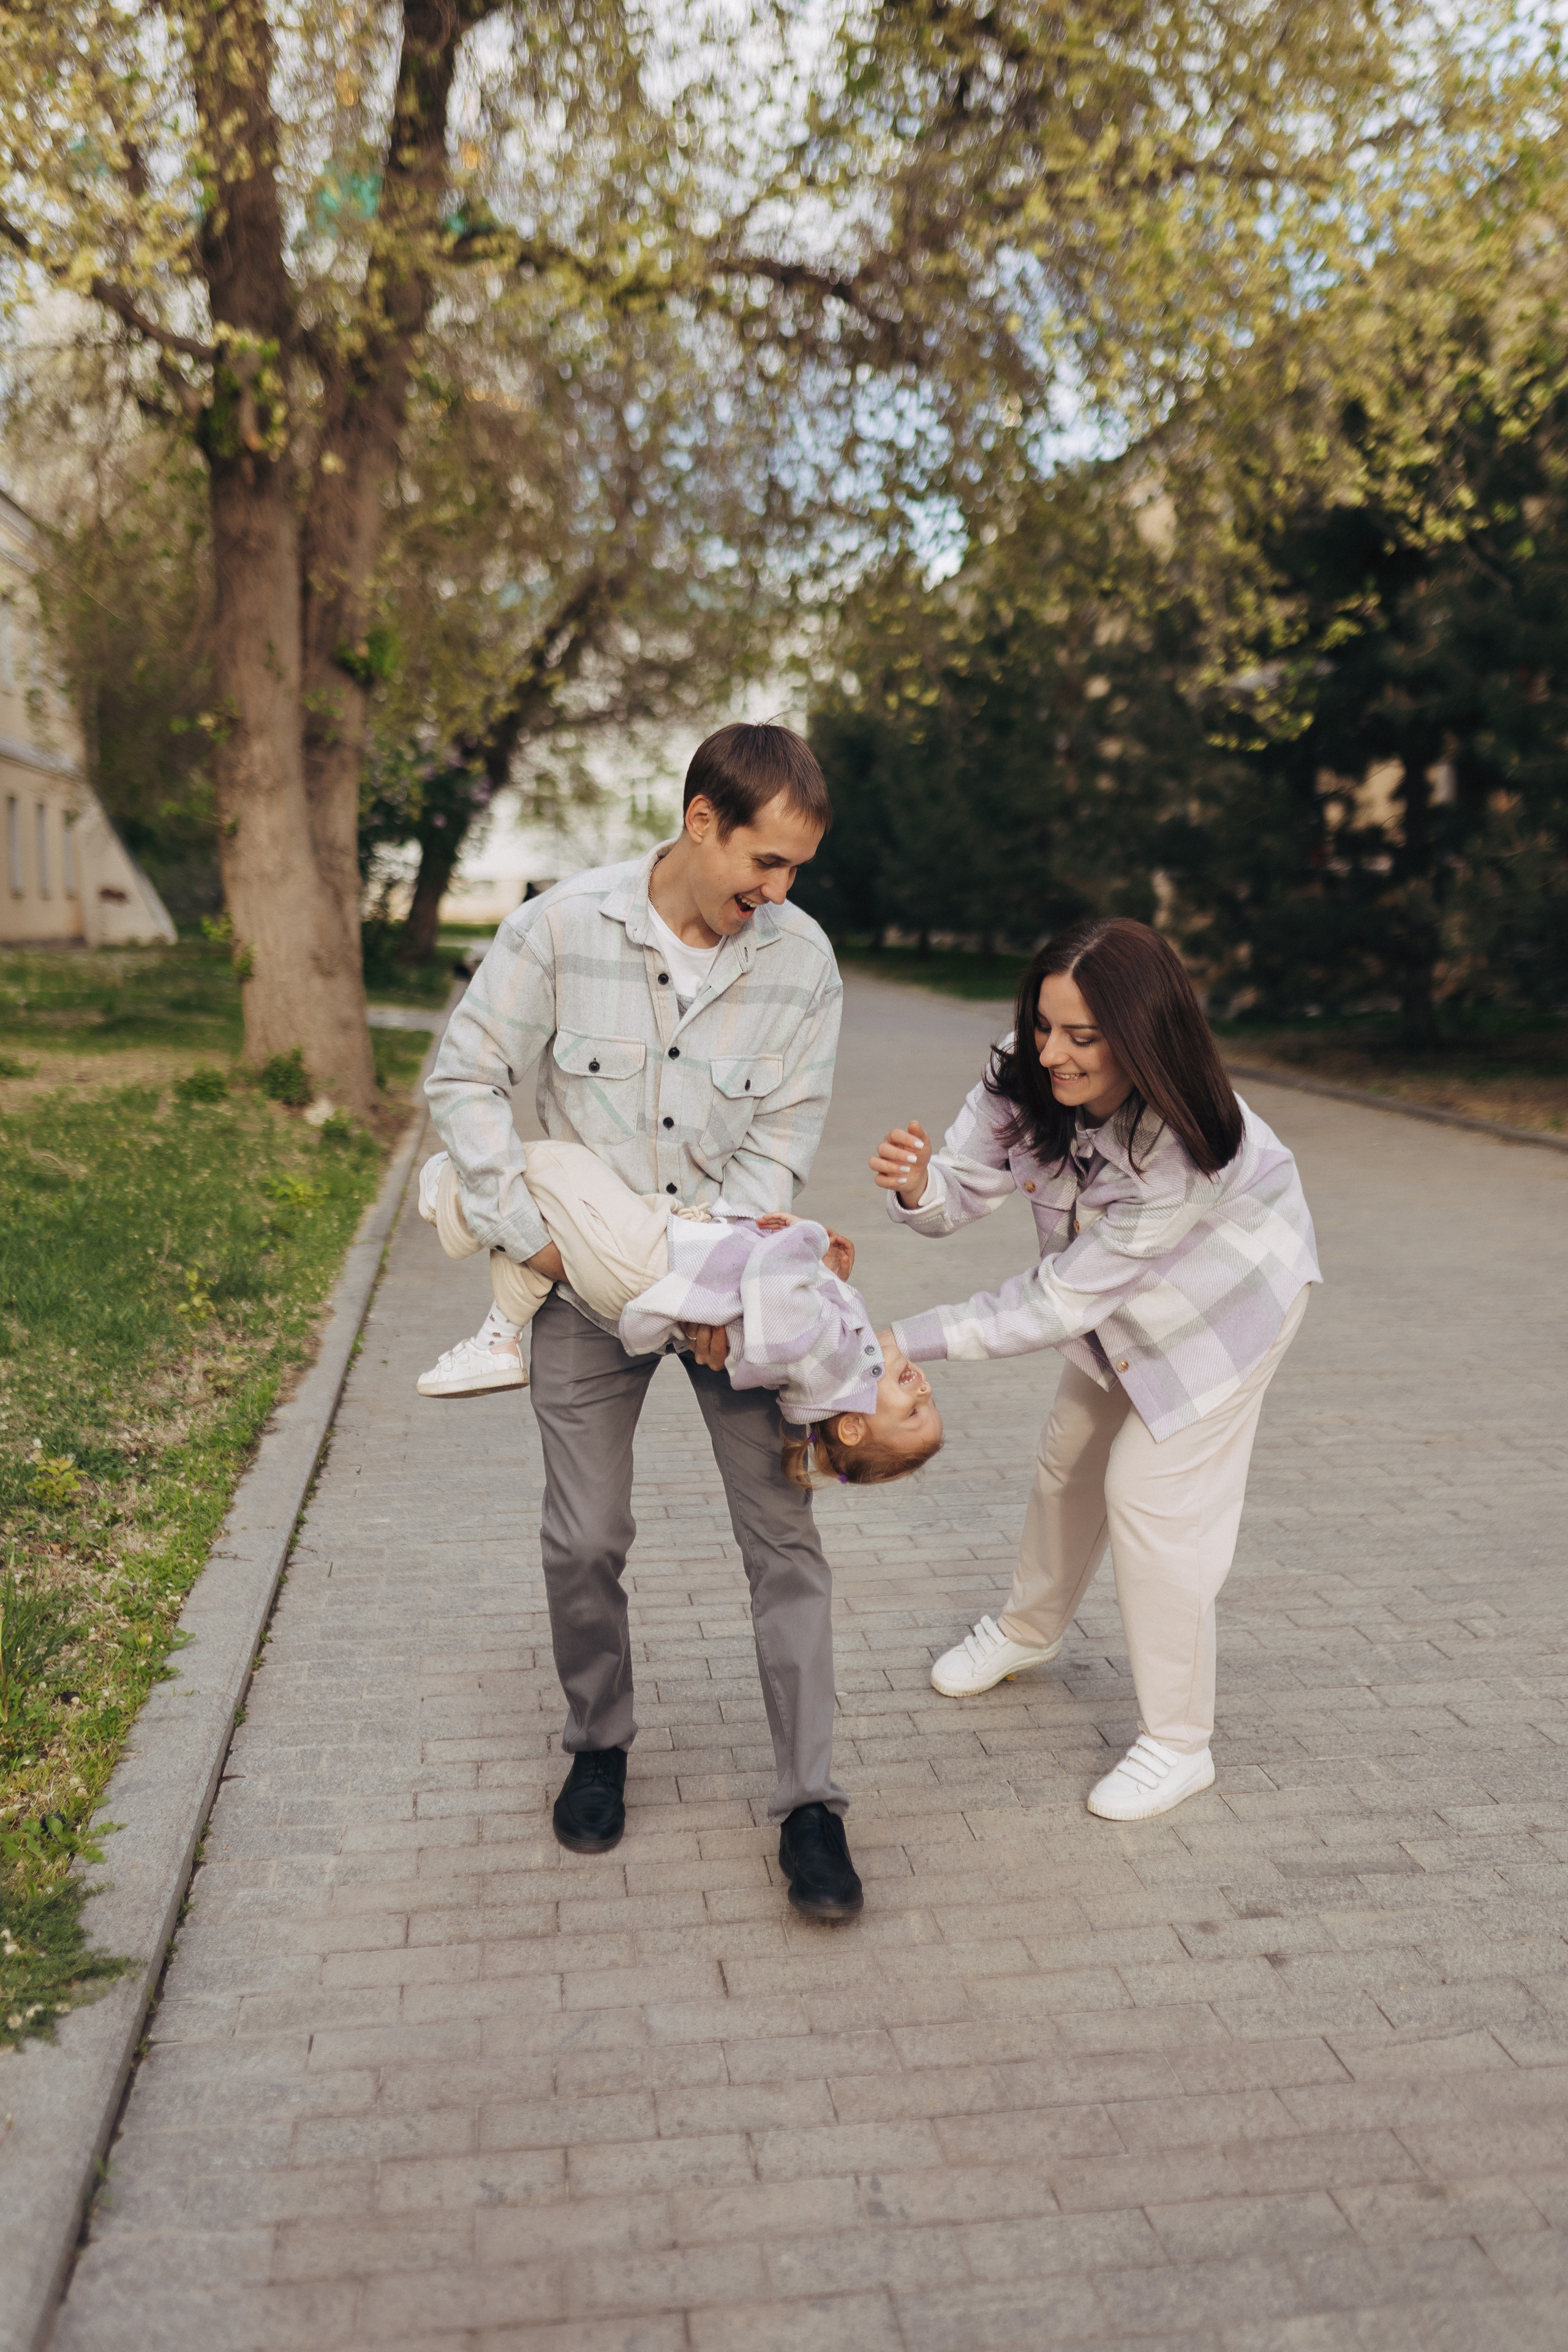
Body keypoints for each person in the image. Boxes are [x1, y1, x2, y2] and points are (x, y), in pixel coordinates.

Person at [425, 721, 866, 1918]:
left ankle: (811, 1807)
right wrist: (525, 1229)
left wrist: (735, 1283)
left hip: (725, 1296)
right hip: (587, 1285)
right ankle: (598, 1740)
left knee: (784, 1542)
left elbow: (781, 1141)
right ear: (700, 820)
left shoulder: (801, 963)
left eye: (794, 874)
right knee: (585, 1537)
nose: (772, 894)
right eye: (761, 864)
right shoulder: (559, 929)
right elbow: (462, 1077)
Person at [870, 916, 1320, 1823]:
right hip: (1115, 1298)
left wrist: (899, 1340)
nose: (1054, 1054)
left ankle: (1178, 1743)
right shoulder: (1023, 1070)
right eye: (1044, 1024)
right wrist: (918, 1188)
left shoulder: (1178, 1152)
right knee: (1068, 1458)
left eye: (1083, 1036)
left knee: (1153, 1503)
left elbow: (1054, 1304)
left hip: (1227, 1308)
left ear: (1143, 1037)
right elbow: (963, 1186)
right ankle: (1028, 1630)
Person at [418, 1138, 942, 1483]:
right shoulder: (832, 1360)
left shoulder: (828, 1358)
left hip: (654, 1264)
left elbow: (772, 1286)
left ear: (851, 1429)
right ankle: (496, 1341)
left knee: (561, 1167)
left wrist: (806, 1240)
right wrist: (831, 1274)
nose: (925, 1390)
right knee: (545, 1235)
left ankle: (447, 1189)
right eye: (929, 1402)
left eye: (913, 1411)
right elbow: (787, 1309)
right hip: (658, 1260)